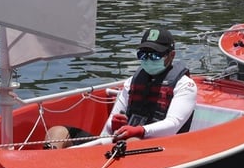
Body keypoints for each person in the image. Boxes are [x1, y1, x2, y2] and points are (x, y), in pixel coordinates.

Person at [43, 27, 198, 148]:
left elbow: (173, 124)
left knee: (132, 141)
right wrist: (114, 126)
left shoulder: (185, 86)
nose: (148, 60)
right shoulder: (132, 82)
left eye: (155, 55)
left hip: (160, 148)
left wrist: (140, 130)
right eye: (143, 55)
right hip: (122, 142)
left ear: (171, 56)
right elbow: (111, 124)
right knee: (57, 132)